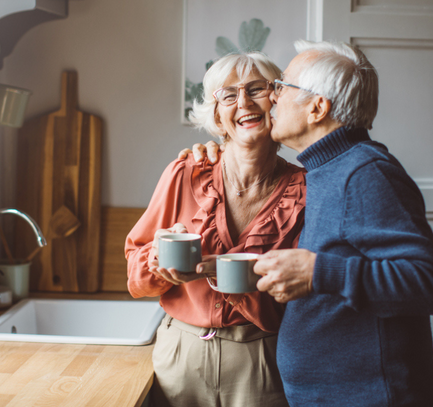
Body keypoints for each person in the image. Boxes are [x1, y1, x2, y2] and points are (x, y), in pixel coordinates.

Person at [183, 40, 433, 406]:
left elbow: (432, 284)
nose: (272, 98)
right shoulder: (327, 169)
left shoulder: (365, 173)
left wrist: (316, 273)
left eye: (282, 87)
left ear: (317, 107)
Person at [125, 51, 306, 407]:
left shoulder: (305, 190)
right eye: (228, 95)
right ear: (218, 116)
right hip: (181, 354)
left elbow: (306, 298)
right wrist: (156, 261)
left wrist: (243, 280)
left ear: (277, 100)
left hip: (262, 359)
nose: (243, 102)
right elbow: (134, 274)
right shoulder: (185, 172)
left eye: (256, 89)